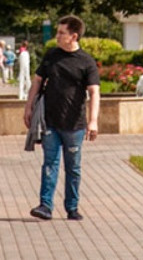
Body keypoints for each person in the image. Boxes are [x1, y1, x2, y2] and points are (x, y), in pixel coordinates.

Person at [23, 15, 99, 221]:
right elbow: (37, 81)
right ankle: (45, 205)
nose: (57, 36)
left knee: (73, 167)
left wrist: (93, 121)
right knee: (50, 164)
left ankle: (72, 207)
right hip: (50, 121)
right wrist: (29, 107)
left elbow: (94, 92)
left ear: (74, 36)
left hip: (74, 125)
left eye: (61, 33)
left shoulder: (86, 61)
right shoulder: (51, 56)